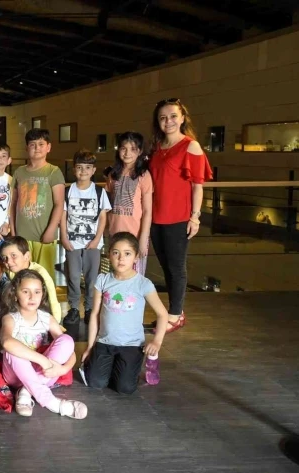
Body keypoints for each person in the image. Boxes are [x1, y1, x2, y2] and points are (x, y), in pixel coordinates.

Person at [148, 98, 213, 333]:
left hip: (178, 218)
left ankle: (175, 316)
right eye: (163, 117)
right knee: (166, 267)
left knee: (176, 267)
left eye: (173, 116)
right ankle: (176, 312)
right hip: (156, 217)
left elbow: (197, 186)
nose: (169, 121)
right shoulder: (157, 147)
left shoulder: (190, 146)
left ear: (183, 118)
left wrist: (195, 217)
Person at [80, 232, 169, 394]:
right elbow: (95, 314)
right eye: (116, 253)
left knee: (125, 388)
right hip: (104, 342)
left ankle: (145, 363)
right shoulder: (102, 280)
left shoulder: (143, 284)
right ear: (109, 255)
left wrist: (157, 342)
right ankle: (111, 364)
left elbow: (162, 314)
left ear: (136, 257)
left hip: (132, 345)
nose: (121, 258)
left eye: (127, 254)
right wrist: (90, 347)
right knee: (95, 382)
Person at [0, 269, 88, 419]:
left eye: (37, 292)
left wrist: (63, 369)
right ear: (15, 294)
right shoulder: (10, 318)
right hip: (16, 375)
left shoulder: (46, 318)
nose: (32, 297)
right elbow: (6, 342)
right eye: (26, 291)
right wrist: (43, 361)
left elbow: (69, 349)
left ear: (42, 294)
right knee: (13, 350)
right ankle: (54, 403)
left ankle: (25, 393)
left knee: (67, 340)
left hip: (46, 374)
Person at [59, 150, 111, 335]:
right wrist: (63, 237)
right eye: (79, 167)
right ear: (74, 170)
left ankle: (89, 308)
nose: (83, 171)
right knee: (73, 276)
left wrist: (97, 239)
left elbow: (103, 217)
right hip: (73, 242)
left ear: (93, 170)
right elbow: (63, 215)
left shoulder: (99, 192)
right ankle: (74, 307)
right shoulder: (68, 191)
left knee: (91, 277)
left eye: (87, 168)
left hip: (92, 243)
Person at [9, 128, 65, 279]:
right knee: (21, 276)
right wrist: (13, 232)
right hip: (22, 237)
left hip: (44, 236)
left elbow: (59, 203)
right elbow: (13, 204)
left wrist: (51, 230)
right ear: (26, 148)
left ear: (48, 147)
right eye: (32, 144)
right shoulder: (19, 172)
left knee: (44, 277)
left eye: (41, 144)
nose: (37, 148)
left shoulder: (53, 172)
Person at [106, 132, 153, 276]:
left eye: (133, 149)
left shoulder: (144, 175)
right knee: (116, 276)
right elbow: (107, 206)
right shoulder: (113, 175)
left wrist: (143, 238)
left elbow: (147, 211)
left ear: (139, 151)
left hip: (135, 236)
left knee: (134, 277)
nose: (127, 153)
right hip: (115, 235)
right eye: (123, 148)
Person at [0, 236, 61, 323]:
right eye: (5, 258)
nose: (8, 262)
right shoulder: (11, 270)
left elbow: (53, 301)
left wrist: (55, 324)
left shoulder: (40, 274)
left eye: (13, 255)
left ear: (27, 256)